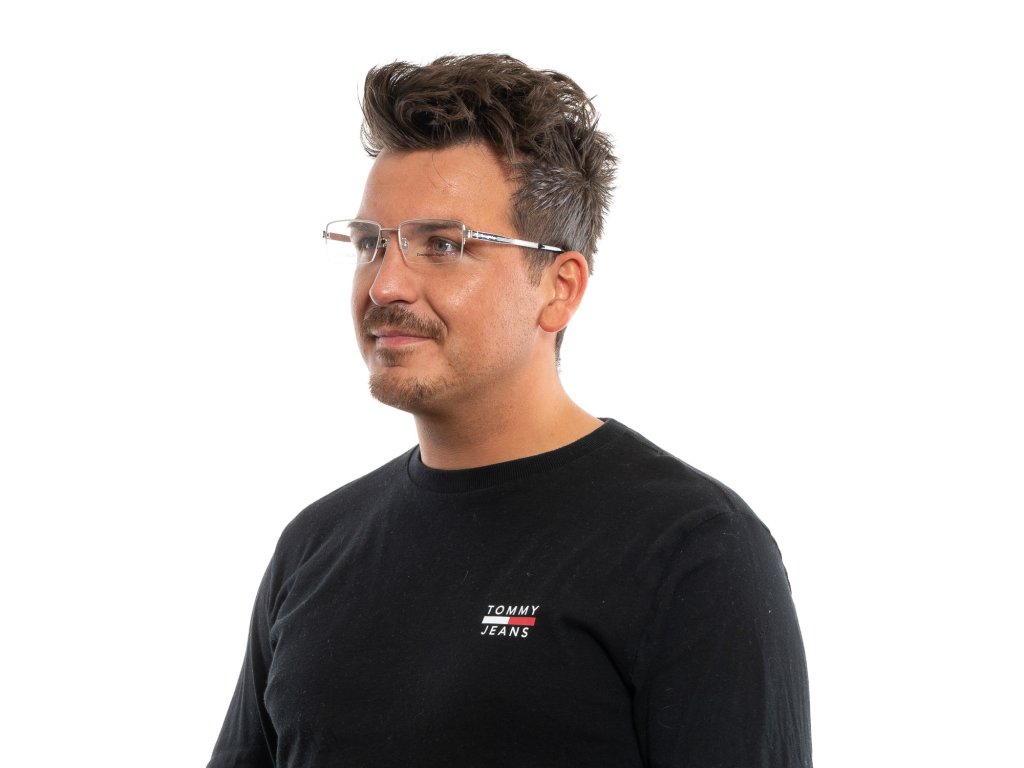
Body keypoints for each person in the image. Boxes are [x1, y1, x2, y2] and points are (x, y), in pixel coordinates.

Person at [208, 54, 812, 768]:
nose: (386, 284)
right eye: (371, 243)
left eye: (443, 245)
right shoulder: (315, 547)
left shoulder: (693, 552)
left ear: (560, 287)